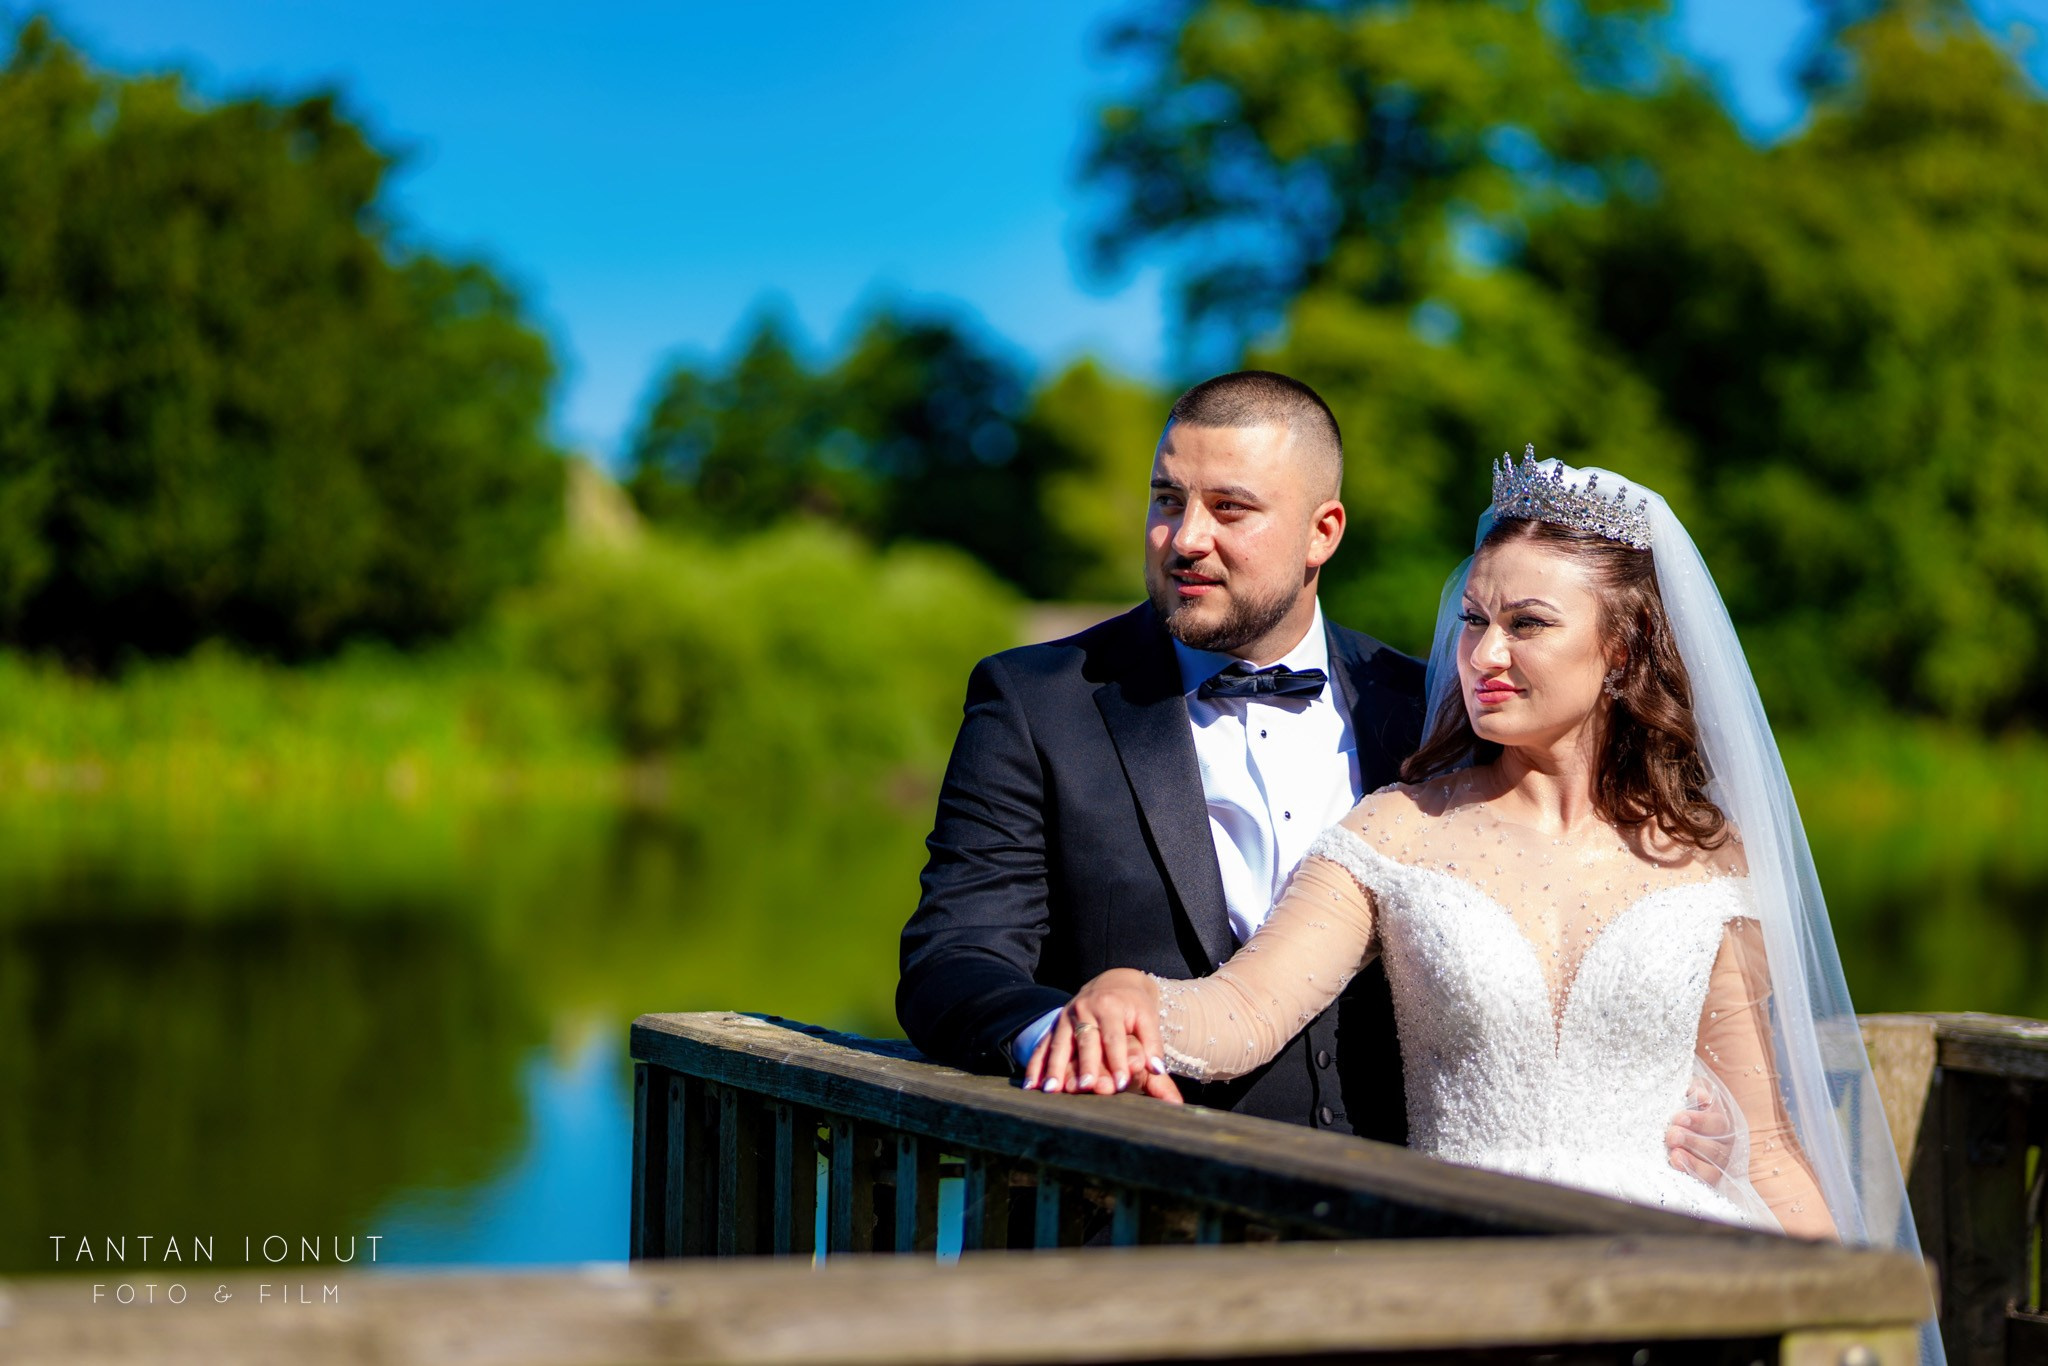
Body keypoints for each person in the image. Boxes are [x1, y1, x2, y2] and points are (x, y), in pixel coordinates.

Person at [1027, 450, 1932, 1278]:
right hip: (1467, 1274)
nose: (1482, 656)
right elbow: (1243, 1013)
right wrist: (1133, 998)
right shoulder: (1396, 832)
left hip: (1679, 1276)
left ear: (1619, 649)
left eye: (1527, 624)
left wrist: (1849, 1326)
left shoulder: (1701, 855)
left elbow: (1767, 1142)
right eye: (1473, 621)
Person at [896, 371, 1423, 1138]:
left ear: (1324, 532)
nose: (1184, 539)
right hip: (1124, 1217)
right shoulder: (1034, 702)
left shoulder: (1420, 709)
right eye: (1167, 500)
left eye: (1230, 508)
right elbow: (952, 960)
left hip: (1396, 1229)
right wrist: (1064, 1042)